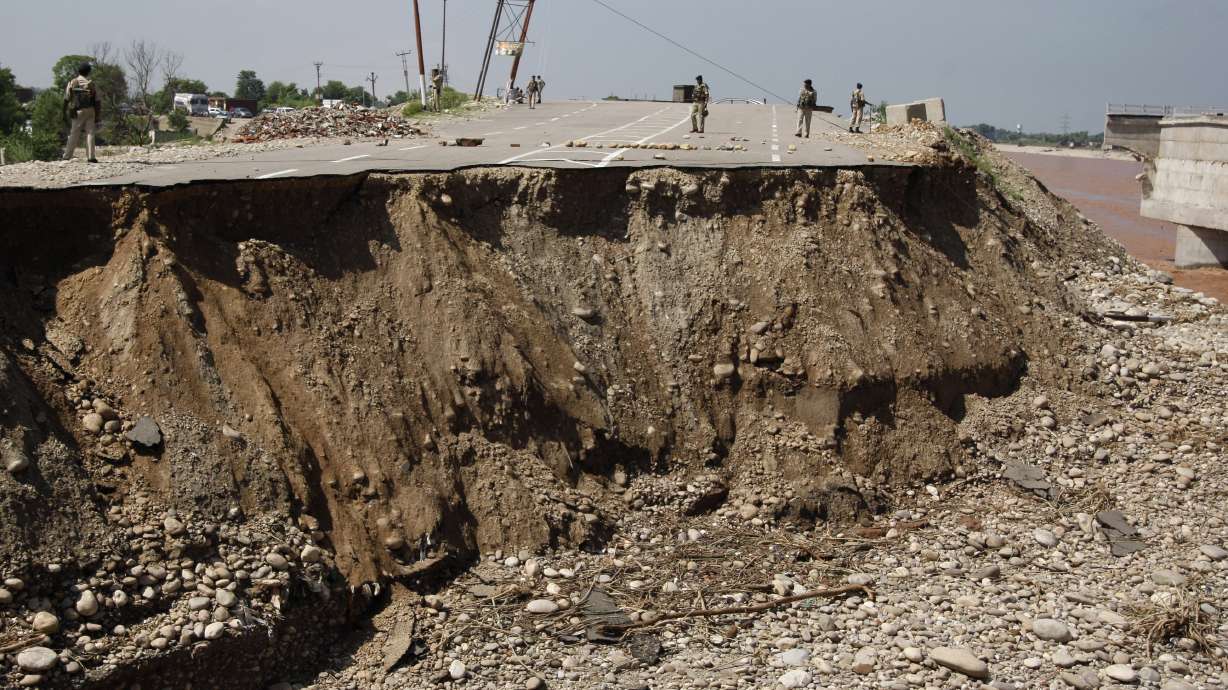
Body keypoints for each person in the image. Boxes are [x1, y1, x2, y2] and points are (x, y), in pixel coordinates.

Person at [63, 63, 100, 163]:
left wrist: (64, 112)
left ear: (78, 71)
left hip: (77, 111)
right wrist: (97, 115)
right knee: (90, 133)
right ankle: (91, 157)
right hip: (90, 110)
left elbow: (66, 99)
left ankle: (67, 156)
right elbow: (97, 101)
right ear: (88, 72)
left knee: (74, 133)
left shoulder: (73, 82)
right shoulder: (91, 84)